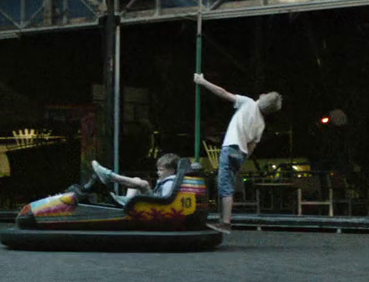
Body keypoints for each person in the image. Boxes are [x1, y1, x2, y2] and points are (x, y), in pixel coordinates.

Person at [194, 73, 282, 232]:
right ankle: (222, 219)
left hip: (231, 147)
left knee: (225, 187)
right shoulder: (261, 123)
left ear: (262, 100)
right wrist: (243, 160)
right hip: (240, 152)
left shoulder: (248, 103)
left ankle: (225, 222)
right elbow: (252, 146)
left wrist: (202, 82)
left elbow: (222, 93)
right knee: (225, 183)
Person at [87, 153, 180, 205]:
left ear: (172, 171)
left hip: (157, 206)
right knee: (136, 179)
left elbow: (164, 201)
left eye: (161, 170)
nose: (158, 172)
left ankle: (109, 175)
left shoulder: (170, 183)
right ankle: (127, 200)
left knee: (144, 184)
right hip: (155, 202)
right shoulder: (166, 181)